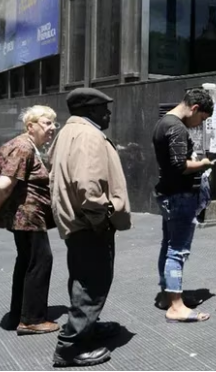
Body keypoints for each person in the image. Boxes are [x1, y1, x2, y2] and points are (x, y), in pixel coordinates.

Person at [50, 88, 132, 367]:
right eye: (104, 109)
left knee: (83, 279)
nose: (108, 113)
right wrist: (98, 220)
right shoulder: (88, 135)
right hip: (88, 223)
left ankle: (87, 327)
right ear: (90, 111)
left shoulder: (69, 132)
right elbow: (88, 184)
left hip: (75, 221)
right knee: (92, 284)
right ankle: (70, 348)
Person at [152, 88, 215, 323]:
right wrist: (203, 164)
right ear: (195, 108)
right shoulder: (177, 127)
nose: (199, 124)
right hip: (180, 195)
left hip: (168, 193)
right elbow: (180, 165)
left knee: (168, 245)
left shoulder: (163, 123)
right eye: (202, 118)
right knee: (177, 250)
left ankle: (167, 296)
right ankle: (176, 306)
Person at [0, 106, 58, 336]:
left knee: (26, 262)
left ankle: (18, 315)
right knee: (40, 261)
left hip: (28, 217)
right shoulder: (23, 146)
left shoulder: (27, 145)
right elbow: (5, 183)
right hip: (28, 217)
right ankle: (32, 320)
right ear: (30, 126)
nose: (52, 128)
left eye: (54, 123)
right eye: (47, 123)